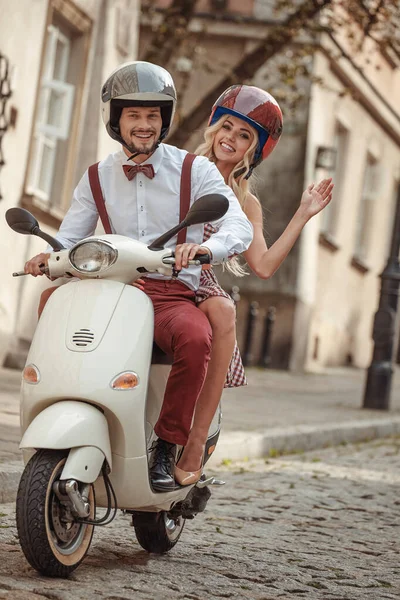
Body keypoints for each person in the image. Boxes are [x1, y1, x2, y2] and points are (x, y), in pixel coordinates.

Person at [23, 62, 253, 492]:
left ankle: (168, 445)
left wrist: (205, 248)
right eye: (134, 115)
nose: (144, 125)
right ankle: (55, 403)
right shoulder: (97, 176)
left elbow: (239, 226)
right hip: (110, 288)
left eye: (153, 116)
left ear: (164, 120)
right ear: (116, 120)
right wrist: (47, 255)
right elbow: (70, 237)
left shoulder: (194, 170)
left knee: (195, 336)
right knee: (52, 300)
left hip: (169, 294)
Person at [175, 84, 333, 477]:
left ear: (254, 149)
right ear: (214, 128)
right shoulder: (176, 167)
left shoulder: (245, 202)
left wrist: (302, 215)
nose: (232, 138)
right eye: (227, 127)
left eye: (245, 135)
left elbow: (262, 265)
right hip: (153, 268)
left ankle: (195, 444)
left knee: (224, 309)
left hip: (199, 281)